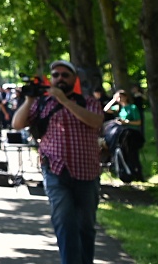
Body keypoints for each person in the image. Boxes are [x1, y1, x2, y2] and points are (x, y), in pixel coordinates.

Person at [11, 60, 104, 264]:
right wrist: (28, 100)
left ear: (74, 79)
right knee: (64, 221)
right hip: (55, 171)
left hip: (87, 173)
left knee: (85, 226)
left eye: (65, 75)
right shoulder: (43, 104)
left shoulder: (88, 102)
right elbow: (17, 124)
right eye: (56, 75)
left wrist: (65, 101)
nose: (60, 78)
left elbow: (96, 122)